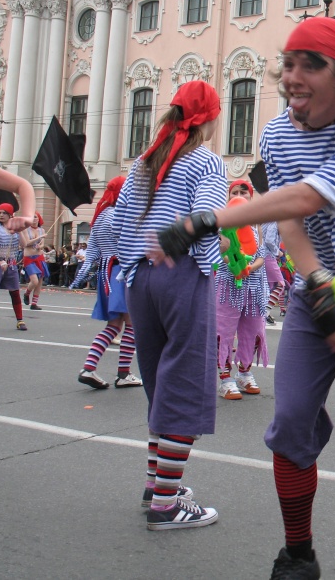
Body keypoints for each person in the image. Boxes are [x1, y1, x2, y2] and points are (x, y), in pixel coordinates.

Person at [154, 17, 335, 579]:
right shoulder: (276, 133)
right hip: (321, 291)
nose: (293, 76)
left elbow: (309, 196)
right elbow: (291, 217)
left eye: (308, 64)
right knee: (289, 424)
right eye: (288, 63)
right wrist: (315, 283)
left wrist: (208, 220)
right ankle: (299, 553)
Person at [112, 80, 226, 530]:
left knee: (159, 379)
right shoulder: (206, 161)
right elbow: (205, 217)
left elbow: (118, 220)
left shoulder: (145, 161)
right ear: (210, 119)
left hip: (140, 276)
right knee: (185, 380)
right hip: (181, 270)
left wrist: (121, 262)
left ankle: (156, 483)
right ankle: (166, 503)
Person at [72, 176, 143, 390]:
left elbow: (92, 252)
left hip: (106, 274)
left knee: (114, 325)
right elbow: (130, 245)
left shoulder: (101, 216)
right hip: (121, 272)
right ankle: (122, 373)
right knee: (130, 325)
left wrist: (78, 279)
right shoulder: (118, 215)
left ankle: (90, 367)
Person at [215, 179, 268, 400]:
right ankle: (225, 377)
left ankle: (244, 372)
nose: (239, 195)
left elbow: (264, 253)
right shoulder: (224, 222)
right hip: (229, 284)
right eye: (234, 192)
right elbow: (218, 251)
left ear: (251, 196)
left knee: (254, 330)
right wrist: (233, 264)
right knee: (225, 331)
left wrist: (249, 267)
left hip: (254, 285)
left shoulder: (258, 222)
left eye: (243, 191)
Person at [0, 203, 29, 332]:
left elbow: (24, 244)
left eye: (4, 213)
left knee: (15, 292)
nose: (1, 215)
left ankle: (20, 320)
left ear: (10, 215)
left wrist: (19, 230)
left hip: (11, 264)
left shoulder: (15, 229)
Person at [21, 213, 49, 310]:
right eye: (31, 217)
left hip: (39, 257)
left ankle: (34, 303)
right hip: (29, 257)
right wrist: (38, 238)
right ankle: (27, 293)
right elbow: (27, 243)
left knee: (40, 281)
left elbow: (42, 244)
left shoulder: (42, 230)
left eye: (35, 217)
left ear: (38, 219)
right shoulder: (25, 229)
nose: (33, 219)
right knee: (34, 280)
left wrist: (39, 246)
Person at [262, 220, 286, 325]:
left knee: (269, 287)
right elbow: (269, 240)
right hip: (268, 255)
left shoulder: (270, 220)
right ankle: (264, 314)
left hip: (263, 255)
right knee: (280, 285)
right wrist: (279, 252)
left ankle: (263, 314)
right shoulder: (274, 221)